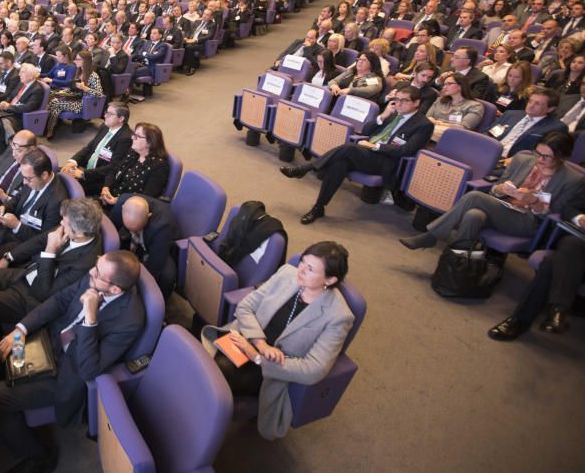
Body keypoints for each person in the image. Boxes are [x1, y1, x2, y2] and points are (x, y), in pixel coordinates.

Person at [0, 251, 144, 473]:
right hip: (44, 341)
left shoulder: (130, 319)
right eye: (95, 265)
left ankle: (38, 456)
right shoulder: (94, 278)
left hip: (65, 373)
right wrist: (19, 331)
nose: (90, 271)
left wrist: (90, 318)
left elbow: (89, 369)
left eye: (97, 272)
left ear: (115, 289)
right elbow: (59, 301)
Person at [201, 241, 352, 440]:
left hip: (272, 370)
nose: (301, 270)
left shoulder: (337, 316)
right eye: (303, 262)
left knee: (218, 376)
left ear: (330, 280)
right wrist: (259, 343)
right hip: (246, 340)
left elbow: (314, 369)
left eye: (310, 269)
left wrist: (257, 357)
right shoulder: (286, 274)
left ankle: (195, 429)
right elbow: (245, 307)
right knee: (203, 367)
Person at [400, 132, 585, 250]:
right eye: (538, 153)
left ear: (562, 156)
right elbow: (496, 188)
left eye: (546, 157)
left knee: (473, 196)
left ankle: (432, 235)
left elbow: (556, 215)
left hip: (529, 221)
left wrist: (534, 202)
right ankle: (458, 263)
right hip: (502, 206)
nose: (539, 159)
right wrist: (501, 188)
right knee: (473, 215)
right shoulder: (523, 159)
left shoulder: (572, 179)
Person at [281, 85, 434, 223]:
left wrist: (375, 146)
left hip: (386, 162)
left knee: (349, 148)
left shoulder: (424, 124)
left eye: (405, 101)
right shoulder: (393, 113)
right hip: (367, 153)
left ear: (416, 103)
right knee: (339, 164)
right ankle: (318, 207)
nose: (399, 104)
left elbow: (406, 151)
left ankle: (306, 168)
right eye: (397, 100)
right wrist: (383, 116)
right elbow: (366, 131)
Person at [488, 177, 585, 340]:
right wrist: (581, 219)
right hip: (580, 249)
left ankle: (521, 320)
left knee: (551, 263)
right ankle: (556, 313)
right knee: (571, 243)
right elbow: (570, 208)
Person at [0, 198, 103, 328]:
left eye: (64, 223)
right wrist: (8, 258)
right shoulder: (72, 227)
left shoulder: (85, 264)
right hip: (23, 273)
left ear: (79, 234)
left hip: (29, 298)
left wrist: (50, 250)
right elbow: (38, 241)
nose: (60, 224)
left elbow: (43, 292)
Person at [0, 149, 69, 271]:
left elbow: (43, 239)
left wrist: (17, 225)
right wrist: (4, 208)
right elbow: (18, 198)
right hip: (7, 231)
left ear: (44, 175)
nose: (24, 183)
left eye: (28, 179)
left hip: (22, 245)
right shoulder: (33, 179)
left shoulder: (57, 201)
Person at [108, 193, 180, 296]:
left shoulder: (163, 227)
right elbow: (111, 231)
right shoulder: (122, 203)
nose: (132, 232)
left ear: (148, 216)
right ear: (123, 209)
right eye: (129, 229)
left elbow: (155, 266)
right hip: (135, 239)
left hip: (156, 246)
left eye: (135, 229)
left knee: (167, 275)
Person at [60, 102, 133, 196]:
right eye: (106, 112)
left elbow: (113, 167)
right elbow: (89, 148)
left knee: (65, 188)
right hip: (86, 169)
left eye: (110, 114)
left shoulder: (125, 139)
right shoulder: (105, 127)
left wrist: (83, 174)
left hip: (98, 178)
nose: (105, 115)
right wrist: (73, 162)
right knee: (58, 175)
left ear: (121, 118)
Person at [0, 63, 46, 161]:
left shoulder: (37, 89)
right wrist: (5, 102)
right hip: (9, 112)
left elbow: (28, 107)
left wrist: (9, 107)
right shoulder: (21, 83)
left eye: (22, 73)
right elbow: (11, 96)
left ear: (30, 75)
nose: (19, 75)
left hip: (19, 117)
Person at [99, 122, 170, 206]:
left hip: (129, 208)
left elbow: (146, 197)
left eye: (137, 136)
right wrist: (106, 187)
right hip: (112, 196)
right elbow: (114, 170)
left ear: (150, 142)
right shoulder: (133, 153)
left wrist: (117, 201)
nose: (132, 137)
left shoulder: (159, 167)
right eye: (134, 134)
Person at [487, 87, 566, 159]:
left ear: (550, 109)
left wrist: (518, 160)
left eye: (537, 104)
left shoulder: (555, 128)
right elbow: (489, 132)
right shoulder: (510, 114)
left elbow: (545, 154)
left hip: (512, 163)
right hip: (488, 151)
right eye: (530, 101)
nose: (531, 106)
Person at [45, 50, 102, 137]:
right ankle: (50, 128)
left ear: (85, 61)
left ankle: (50, 129)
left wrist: (85, 88)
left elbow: (99, 94)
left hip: (82, 103)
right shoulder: (78, 72)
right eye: (76, 59)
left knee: (55, 103)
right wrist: (64, 92)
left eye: (78, 59)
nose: (75, 61)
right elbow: (73, 87)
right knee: (52, 99)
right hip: (74, 97)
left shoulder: (93, 75)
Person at [426, 74, 485, 141]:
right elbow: (428, 117)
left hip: (454, 135)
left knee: (423, 130)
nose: (445, 87)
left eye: (449, 84)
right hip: (433, 131)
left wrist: (438, 123)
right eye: (444, 84)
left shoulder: (475, 106)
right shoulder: (440, 100)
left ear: (461, 86)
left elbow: (463, 127)